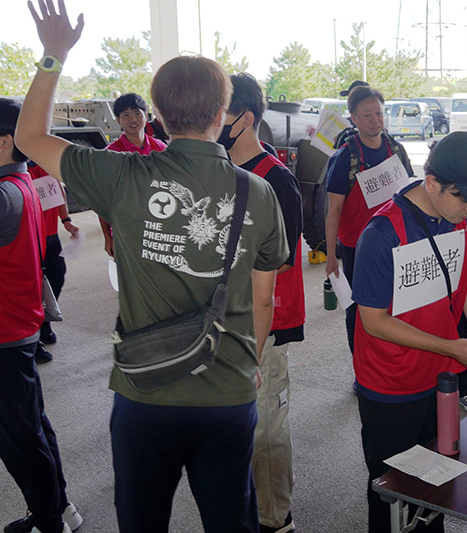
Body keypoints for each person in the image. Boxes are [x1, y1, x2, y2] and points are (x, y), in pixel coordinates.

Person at [17, 3, 289, 532]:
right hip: (228, 394)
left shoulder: (121, 175)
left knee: (141, 522)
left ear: (158, 115)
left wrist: (54, 55)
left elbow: (28, 138)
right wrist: (252, 361)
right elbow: (264, 299)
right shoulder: (257, 191)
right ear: (222, 113)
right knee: (231, 521)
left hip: (144, 394)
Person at [352, 131, 467, 532]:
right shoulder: (383, 233)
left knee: (438, 479)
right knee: (390, 487)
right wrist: (452, 347)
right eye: (463, 198)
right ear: (432, 183)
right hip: (391, 383)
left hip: (441, 377)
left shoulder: (465, 219)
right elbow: (374, 321)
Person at [219, 71, 304, 533]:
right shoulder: (223, 173)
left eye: (219, 115)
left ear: (244, 119)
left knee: (266, 425)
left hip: (263, 326)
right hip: (228, 322)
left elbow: (279, 272)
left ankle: (276, 519)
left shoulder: (277, 182)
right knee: (240, 424)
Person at [0, 98, 83, 533]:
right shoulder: (21, 182)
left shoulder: (0, 195)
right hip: (18, 324)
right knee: (32, 426)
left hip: (2, 332)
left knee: (19, 438)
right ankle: (58, 507)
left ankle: (50, 520)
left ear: (4, 141)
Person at [325, 85, 414, 353]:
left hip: (394, 242)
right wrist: (331, 255)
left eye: (379, 113)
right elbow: (334, 211)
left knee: (395, 303)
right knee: (359, 308)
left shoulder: (395, 149)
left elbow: (409, 196)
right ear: (352, 117)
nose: (375, 120)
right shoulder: (345, 157)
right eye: (367, 115)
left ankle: (391, 356)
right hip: (357, 247)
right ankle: (361, 365)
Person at [99, 92, 167, 257]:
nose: (133, 120)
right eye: (126, 115)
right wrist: (108, 237)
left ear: (146, 115)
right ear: (118, 120)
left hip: (159, 227)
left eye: (138, 113)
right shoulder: (110, 154)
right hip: (125, 230)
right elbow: (102, 199)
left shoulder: (161, 149)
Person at [27, 163, 80, 362]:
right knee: (31, 286)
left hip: (49, 234)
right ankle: (33, 339)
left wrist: (65, 219)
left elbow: (57, 189)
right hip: (28, 236)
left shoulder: (42, 161)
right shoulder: (16, 166)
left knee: (57, 275)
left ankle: (44, 322)